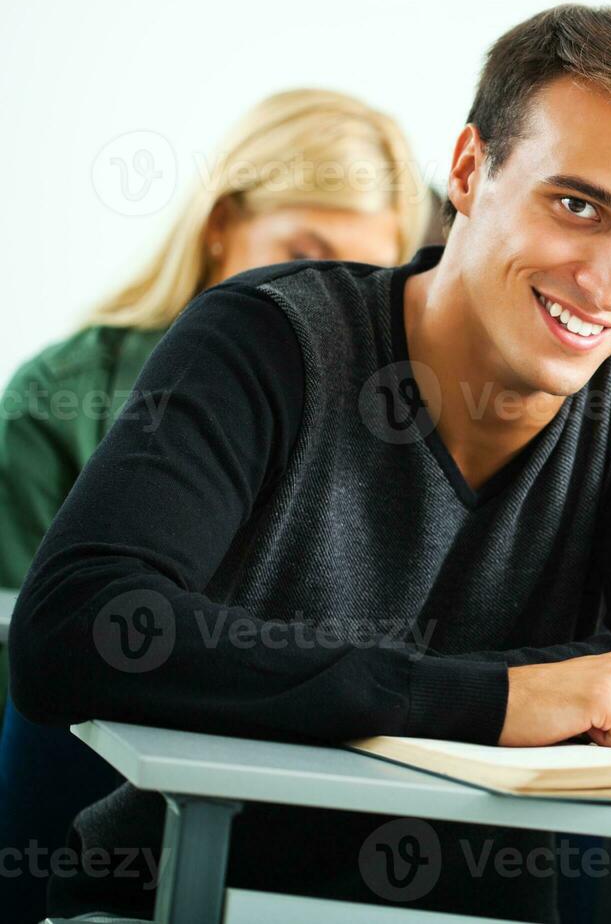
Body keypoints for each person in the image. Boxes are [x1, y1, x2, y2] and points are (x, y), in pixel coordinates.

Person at [9, 4, 611, 920]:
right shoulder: (264, 339)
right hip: (191, 895)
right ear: (470, 171)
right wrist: (494, 697)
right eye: (577, 205)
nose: (609, 285)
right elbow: (75, 629)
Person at [0, 86, 430, 923]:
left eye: (359, 274)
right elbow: (34, 658)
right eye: (303, 251)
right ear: (220, 223)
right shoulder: (61, 394)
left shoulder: (382, 423)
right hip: (93, 769)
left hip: (313, 784)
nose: (322, 291)